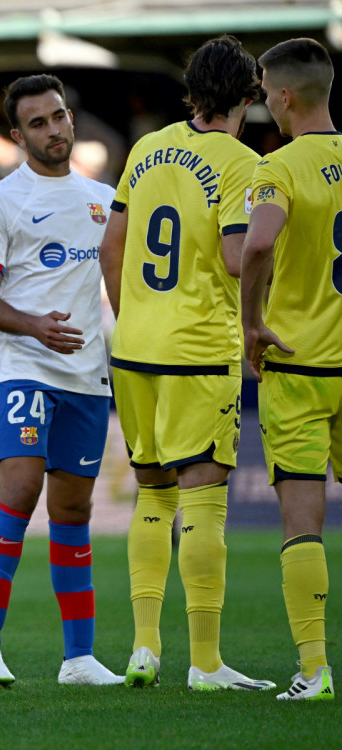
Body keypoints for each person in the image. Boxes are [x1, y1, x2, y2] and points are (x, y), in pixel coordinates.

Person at [100, 35, 276, 692]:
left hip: (134, 348)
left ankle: (144, 649)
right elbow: (237, 255)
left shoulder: (146, 148)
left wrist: (135, 320)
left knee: (151, 494)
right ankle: (205, 662)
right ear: (248, 97)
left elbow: (112, 249)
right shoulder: (243, 163)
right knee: (204, 501)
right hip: (199, 349)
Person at [0, 75, 121, 687]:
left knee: (73, 508)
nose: (53, 130)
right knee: (21, 490)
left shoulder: (104, 200)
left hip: (86, 374)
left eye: (58, 117)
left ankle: (79, 658)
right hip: (24, 368)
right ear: (16, 135)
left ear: (70, 119)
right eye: (37, 123)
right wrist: (34, 327)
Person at [240, 37, 338, 702]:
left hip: (300, 365)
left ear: (283, 96)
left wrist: (252, 322)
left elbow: (258, 244)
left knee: (303, 523)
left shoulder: (279, 167)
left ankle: (315, 670)